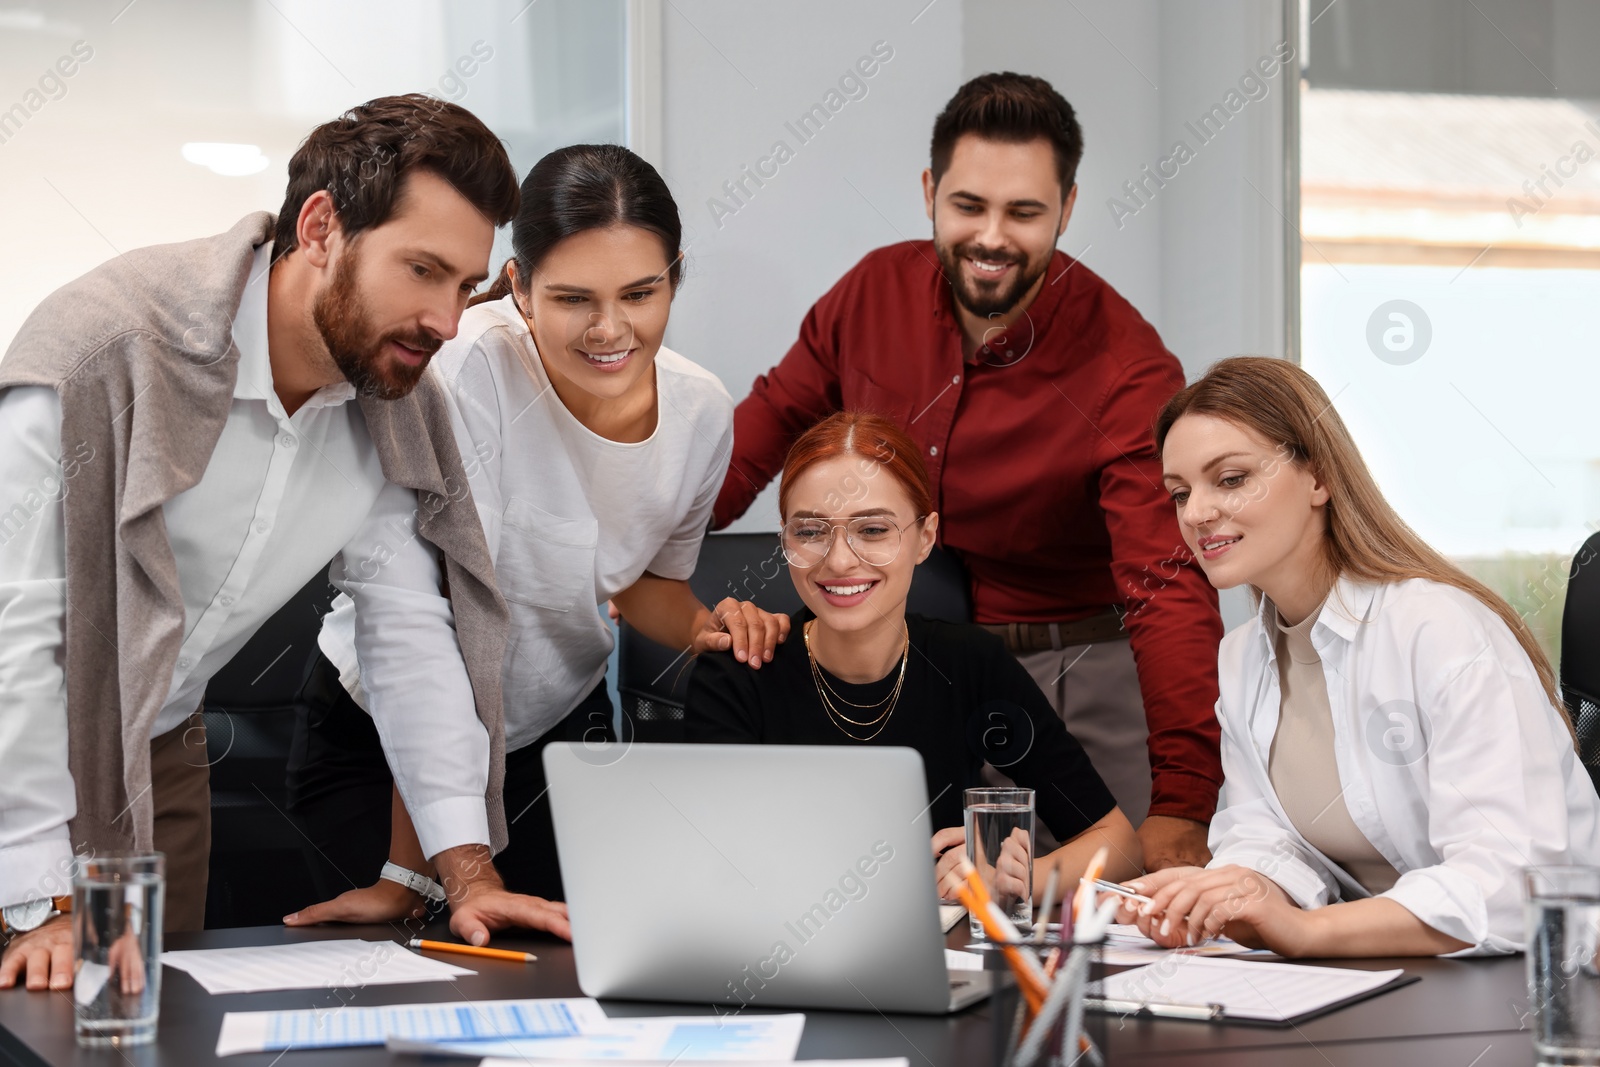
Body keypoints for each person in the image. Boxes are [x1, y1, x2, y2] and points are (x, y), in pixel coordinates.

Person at [0, 94, 545, 992]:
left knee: (142, 1032)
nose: (447, 321)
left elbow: (406, 627)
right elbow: (17, 632)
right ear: (322, 226)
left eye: (464, 286)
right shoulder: (106, 349)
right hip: (19, 733)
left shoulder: (394, 402)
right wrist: (39, 899)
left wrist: (465, 866)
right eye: (422, 269)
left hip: (153, 755)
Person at [711, 71, 1223, 872]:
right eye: (969, 206)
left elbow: (1165, 583)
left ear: (1068, 209)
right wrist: (640, 558)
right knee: (908, 907)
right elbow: (757, 436)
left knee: (1069, 925)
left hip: (1073, 671)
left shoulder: (1125, 364)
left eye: (1023, 212)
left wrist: (1184, 803)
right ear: (929, 192)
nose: (991, 236)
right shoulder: (871, 293)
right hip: (916, 669)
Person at [283, 145, 788, 930]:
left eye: (641, 293)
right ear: (518, 288)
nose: (610, 329)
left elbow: (639, 582)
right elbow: (441, 629)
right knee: (403, 975)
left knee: (561, 973)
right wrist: (429, 867)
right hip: (386, 740)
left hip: (554, 729)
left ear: (675, 276)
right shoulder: (463, 372)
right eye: (574, 298)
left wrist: (708, 626)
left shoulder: (702, 412)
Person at [1118, 356, 1600, 956]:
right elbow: (1266, 836)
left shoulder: (1437, 628)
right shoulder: (1243, 657)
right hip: (1389, 976)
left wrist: (1305, 931)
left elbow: (1516, 882)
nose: (1195, 514)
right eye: (1180, 493)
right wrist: (1228, 894)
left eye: (1232, 479)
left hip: (1538, 987)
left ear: (1318, 478)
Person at [688, 411, 1141, 903]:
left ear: (924, 538)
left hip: (938, 957)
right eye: (812, 532)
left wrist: (1020, 880)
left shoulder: (970, 663)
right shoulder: (738, 671)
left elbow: (1115, 841)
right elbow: (708, 870)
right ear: (785, 539)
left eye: (874, 530)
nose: (839, 561)